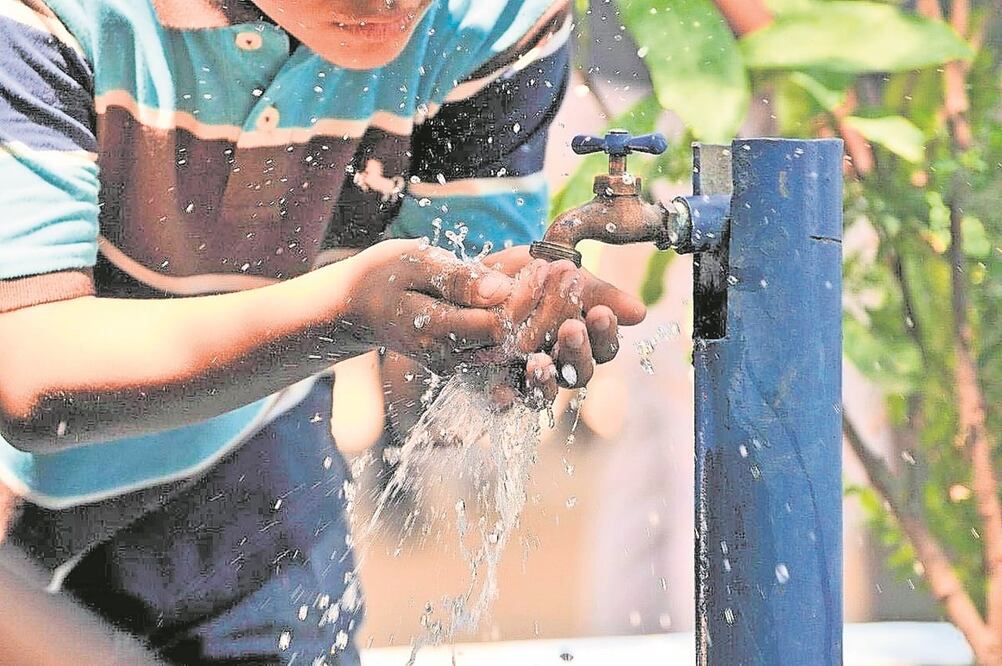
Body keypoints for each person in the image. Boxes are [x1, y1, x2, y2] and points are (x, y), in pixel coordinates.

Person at [0, 0, 647, 663]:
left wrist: (500, 332)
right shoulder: (55, 15)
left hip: (250, 442)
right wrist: (340, 315)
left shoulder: (491, 15)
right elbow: (27, 368)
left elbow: (458, 298)